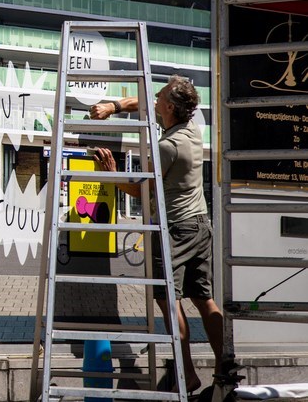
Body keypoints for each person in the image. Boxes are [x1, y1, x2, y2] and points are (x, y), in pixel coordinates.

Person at [91, 75, 223, 394]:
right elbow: (144, 104)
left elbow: (139, 190)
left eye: (160, 95)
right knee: (204, 298)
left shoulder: (166, 147)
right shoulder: (192, 130)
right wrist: (114, 106)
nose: (154, 98)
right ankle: (225, 367)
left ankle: (187, 372)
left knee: (168, 299)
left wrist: (111, 175)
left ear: (168, 106)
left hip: (174, 229)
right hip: (200, 224)